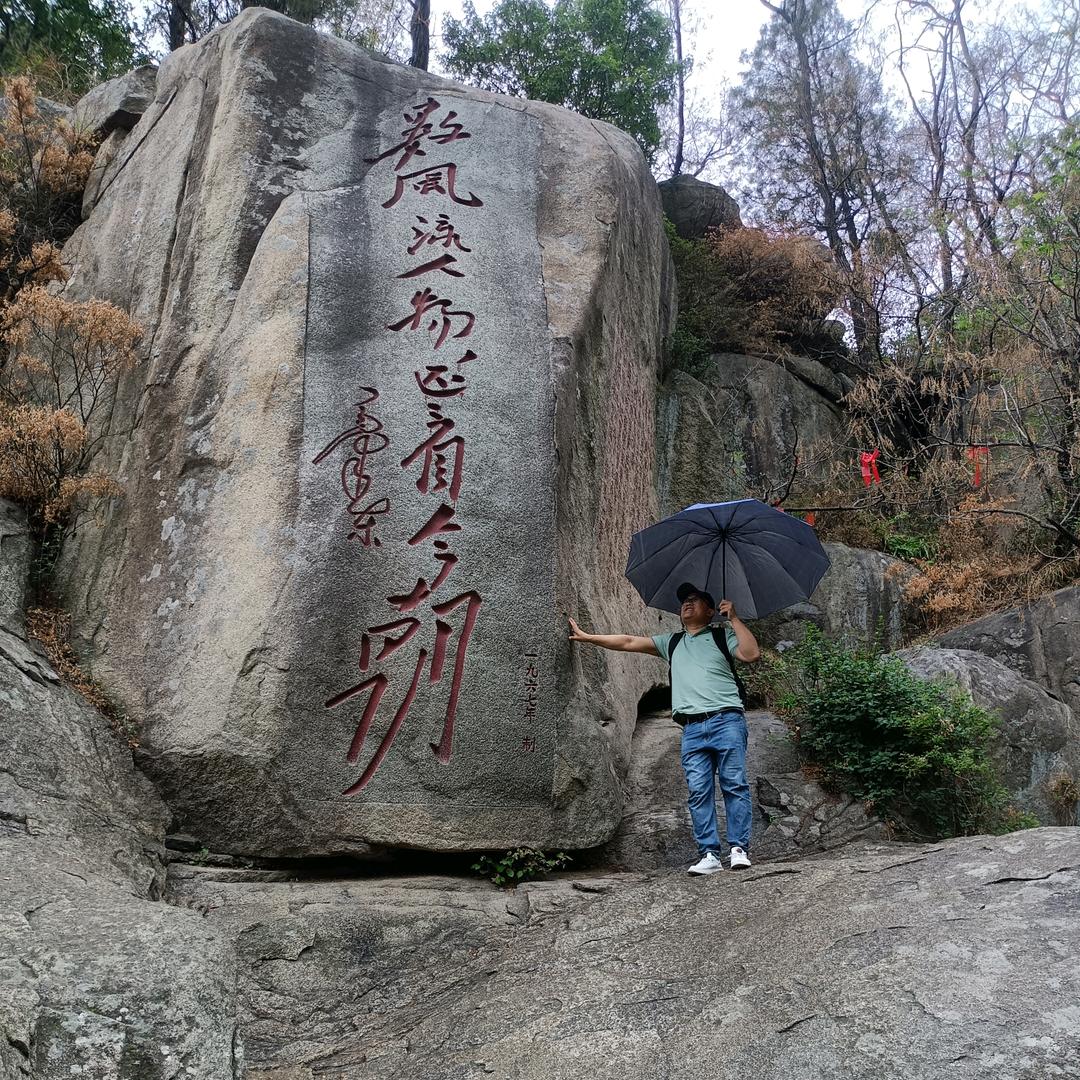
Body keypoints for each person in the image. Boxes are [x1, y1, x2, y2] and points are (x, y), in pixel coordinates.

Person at [568, 582, 761, 875]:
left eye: (695, 600)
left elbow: (750, 654)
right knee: (698, 791)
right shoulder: (671, 642)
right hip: (692, 728)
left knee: (734, 784)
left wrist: (734, 618)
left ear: (711, 611)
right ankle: (708, 854)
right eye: (684, 600)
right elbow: (629, 642)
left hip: (726, 720)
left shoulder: (723, 637)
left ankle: (738, 849)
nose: (687, 603)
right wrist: (588, 638)